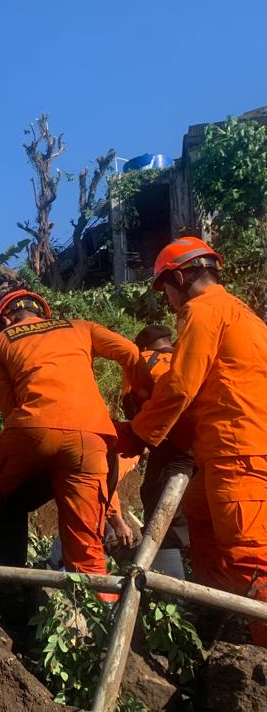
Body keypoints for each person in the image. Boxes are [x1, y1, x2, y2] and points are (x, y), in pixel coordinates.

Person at [0, 289, 145, 612]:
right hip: (91, 435)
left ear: (4, 318)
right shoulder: (79, 326)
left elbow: (8, 404)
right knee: (84, 539)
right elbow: (130, 352)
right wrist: (138, 395)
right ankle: (103, 626)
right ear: (43, 312)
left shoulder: (0, 343)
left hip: (31, 427)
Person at [118, 237, 267, 643]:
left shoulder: (202, 312)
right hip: (231, 448)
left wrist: (139, 433)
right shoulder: (244, 314)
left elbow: (182, 386)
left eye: (165, 287)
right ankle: (221, 634)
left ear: (179, 277)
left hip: (238, 451)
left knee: (251, 558)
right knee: (201, 521)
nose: (166, 298)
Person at [117, 324, 195, 577]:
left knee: (162, 518)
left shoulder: (141, 362)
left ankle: (169, 595)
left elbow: (131, 405)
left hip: (171, 446)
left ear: (143, 346)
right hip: (213, 444)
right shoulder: (189, 355)